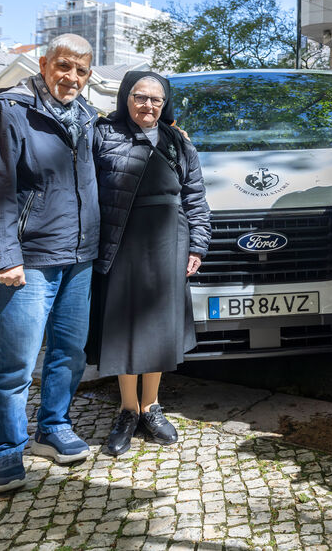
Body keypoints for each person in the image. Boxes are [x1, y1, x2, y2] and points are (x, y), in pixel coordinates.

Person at [0, 34, 99, 493]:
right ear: (44, 64)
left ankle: (53, 427)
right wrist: (4, 258)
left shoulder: (87, 116)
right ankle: (6, 450)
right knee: (16, 363)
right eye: (64, 66)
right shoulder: (10, 111)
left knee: (69, 354)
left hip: (79, 256)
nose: (71, 77)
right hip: (28, 260)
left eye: (81, 70)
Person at [91, 71, 211, 456]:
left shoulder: (179, 142)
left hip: (169, 240)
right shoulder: (103, 135)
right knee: (125, 326)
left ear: (165, 103)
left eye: (156, 99)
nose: (148, 105)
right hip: (122, 239)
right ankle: (127, 409)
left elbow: (196, 198)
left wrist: (197, 246)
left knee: (159, 326)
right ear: (126, 98)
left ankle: (151, 406)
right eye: (140, 97)